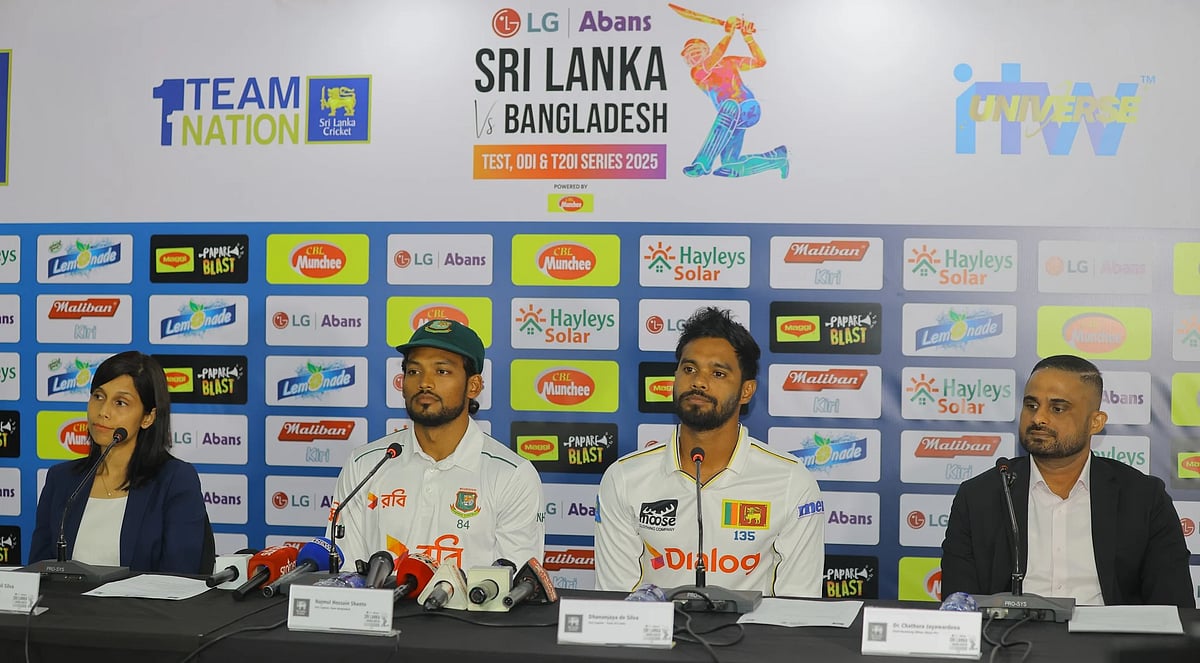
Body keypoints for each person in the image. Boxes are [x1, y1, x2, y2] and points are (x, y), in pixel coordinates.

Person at [595, 307, 824, 597]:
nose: (699, 382)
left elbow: (797, 610)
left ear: (746, 391)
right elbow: (616, 602)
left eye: (717, 373)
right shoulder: (625, 478)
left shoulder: (791, 482)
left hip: (752, 641)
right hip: (653, 640)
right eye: (689, 369)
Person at [941, 355, 1194, 607]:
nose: (1038, 418)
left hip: (1108, 645)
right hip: (1008, 642)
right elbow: (960, 606)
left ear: (1095, 422)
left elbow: (1173, 607)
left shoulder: (1144, 498)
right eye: (1031, 405)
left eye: (1057, 408)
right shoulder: (979, 496)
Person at [332, 319, 544, 570]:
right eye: (414, 371)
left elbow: (511, 587)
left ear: (473, 386)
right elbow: (345, 578)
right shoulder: (365, 465)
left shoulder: (512, 475)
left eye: (441, 371)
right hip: (380, 610)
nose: (424, 383)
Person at [31, 350, 211, 574]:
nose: (103, 411)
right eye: (98, 396)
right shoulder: (62, 479)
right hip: (67, 608)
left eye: (121, 403)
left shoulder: (175, 480)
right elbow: (37, 573)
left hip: (144, 609)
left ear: (148, 417)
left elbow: (181, 576)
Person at [679, 15, 789, 179]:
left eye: (696, 51)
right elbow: (713, 58)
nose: (693, 56)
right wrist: (729, 33)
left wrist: (748, 38)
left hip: (747, 108)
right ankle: (777, 159)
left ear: (706, 50)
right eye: (689, 54)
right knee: (730, 165)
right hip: (730, 120)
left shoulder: (728, 62)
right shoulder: (697, 73)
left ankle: (702, 164)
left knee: (729, 107)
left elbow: (760, 61)